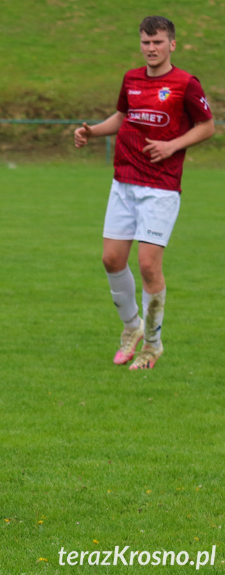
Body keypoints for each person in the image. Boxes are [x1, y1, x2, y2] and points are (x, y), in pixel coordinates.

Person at [73, 16, 214, 371]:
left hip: (161, 187)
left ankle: (152, 345)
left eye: (158, 42)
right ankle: (132, 327)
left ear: (172, 45)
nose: (151, 48)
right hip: (124, 180)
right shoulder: (131, 78)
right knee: (111, 260)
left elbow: (208, 126)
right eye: (146, 42)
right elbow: (122, 118)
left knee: (149, 265)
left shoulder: (185, 83)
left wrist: (173, 146)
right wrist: (92, 132)